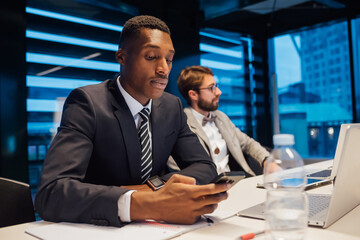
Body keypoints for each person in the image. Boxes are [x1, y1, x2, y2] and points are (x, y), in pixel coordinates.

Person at [35, 16, 231, 228]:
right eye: (151, 56)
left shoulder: (171, 106)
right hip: (100, 227)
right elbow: (51, 193)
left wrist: (153, 187)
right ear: (122, 57)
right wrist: (145, 203)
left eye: (169, 59)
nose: (164, 69)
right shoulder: (87, 103)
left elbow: (204, 166)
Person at [169, 65, 269, 176]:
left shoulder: (221, 117)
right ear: (193, 95)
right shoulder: (180, 123)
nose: (219, 92)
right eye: (211, 87)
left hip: (237, 182)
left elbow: (248, 143)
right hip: (206, 188)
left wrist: (267, 160)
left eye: (216, 86)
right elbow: (178, 170)